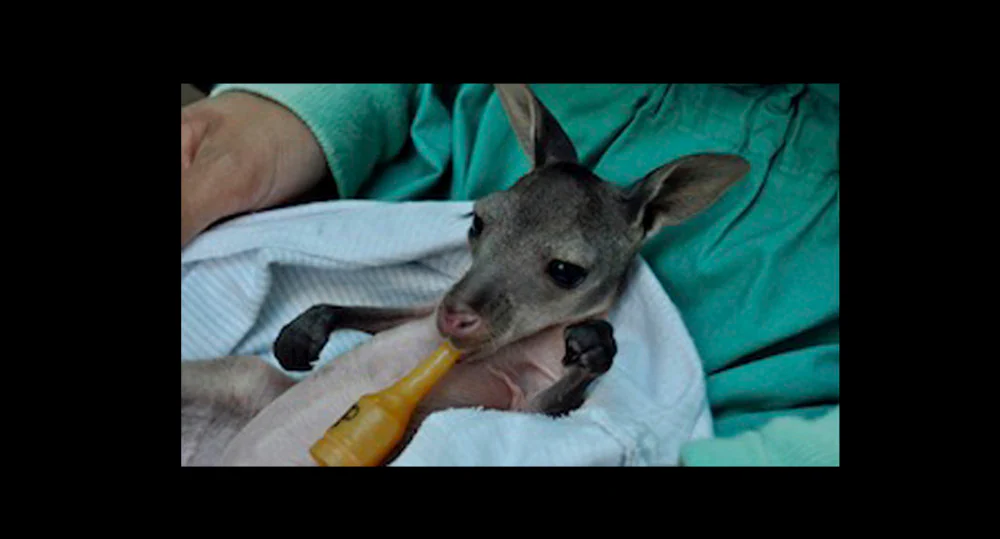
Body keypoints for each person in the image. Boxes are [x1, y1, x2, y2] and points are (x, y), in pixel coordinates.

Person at [181, 84, 840, 466]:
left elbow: (540, 424)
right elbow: (412, 319)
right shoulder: (465, 295)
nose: (462, 304)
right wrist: (328, 314)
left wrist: (583, 369)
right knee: (245, 378)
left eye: (559, 271)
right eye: (481, 230)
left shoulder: (559, 343)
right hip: (262, 406)